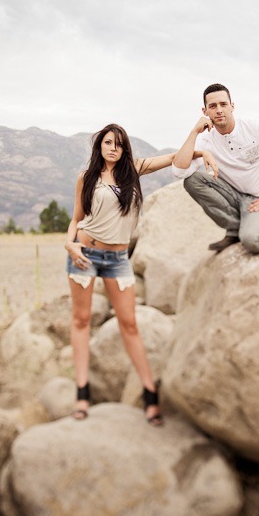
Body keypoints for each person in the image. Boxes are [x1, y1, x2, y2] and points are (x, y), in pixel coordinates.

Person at [65, 123, 181, 427]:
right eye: (107, 142)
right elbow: (77, 218)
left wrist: (201, 148)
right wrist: (69, 243)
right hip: (84, 255)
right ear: (99, 146)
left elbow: (172, 158)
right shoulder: (86, 178)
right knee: (81, 320)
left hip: (117, 259)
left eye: (118, 143)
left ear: (124, 147)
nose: (112, 148)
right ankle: (82, 392)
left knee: (129, 324)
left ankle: (149, 392)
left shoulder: (134, 171)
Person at [172, 83, 259, 254]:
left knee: (251, 240)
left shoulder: (256, 128)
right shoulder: (206, 139)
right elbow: (179, 172)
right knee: (193, 181)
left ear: (232, 107)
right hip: (234, 197)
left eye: (223, 104)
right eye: (212, 106)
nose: (219, 110)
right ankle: (235, 229)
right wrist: (194, 132)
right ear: (205, 112)